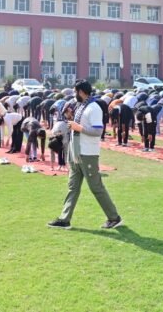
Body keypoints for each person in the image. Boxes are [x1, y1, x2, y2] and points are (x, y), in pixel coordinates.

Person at [48, 80, 123, 230]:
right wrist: (71, 119)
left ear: (82, 92)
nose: (74, 94)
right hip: (76, 152)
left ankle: (114, 217)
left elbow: (98, 131)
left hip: (87, 153)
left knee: (96, 187)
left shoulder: (94, 108)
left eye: (75, 91)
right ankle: (64, 219)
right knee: (72, 187)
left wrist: (79, 127)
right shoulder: (81, 106)